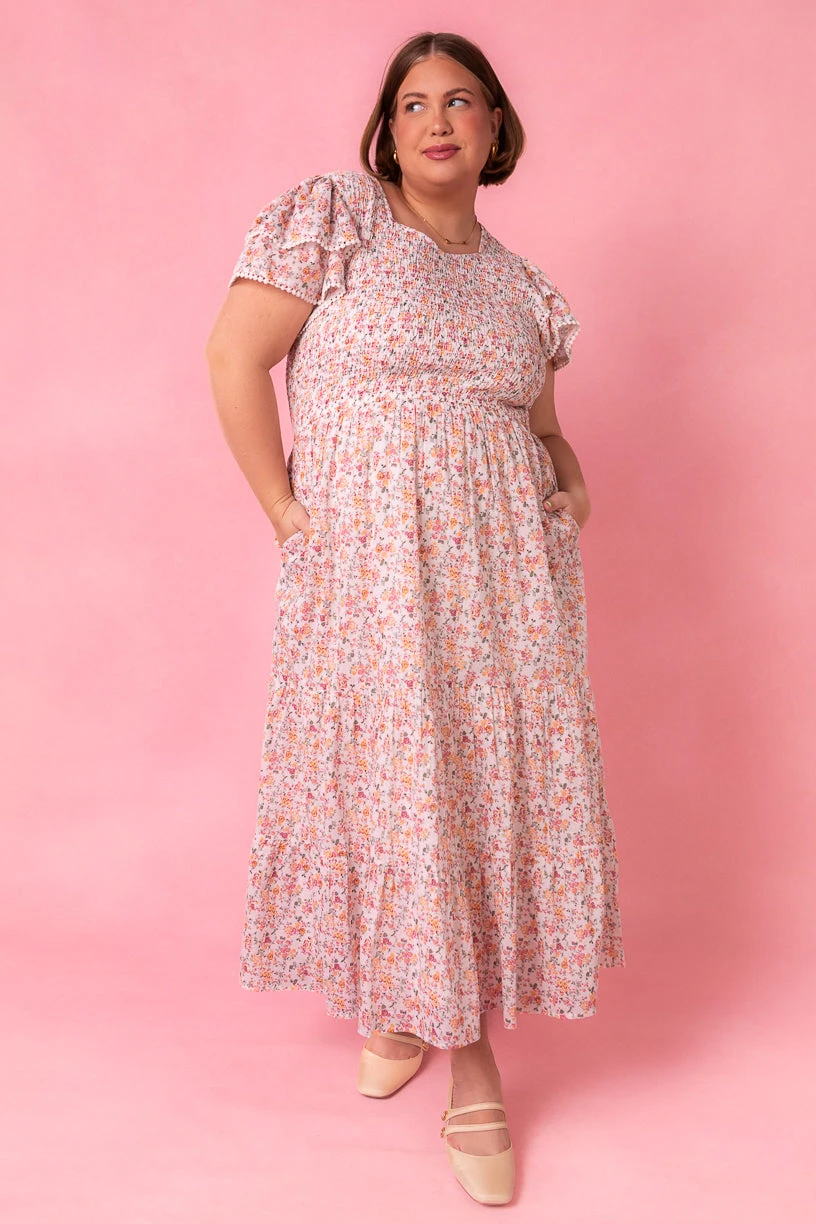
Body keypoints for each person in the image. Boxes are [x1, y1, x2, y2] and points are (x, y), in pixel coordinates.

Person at [205, 29, 625, 1207]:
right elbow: (234, 357)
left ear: (496, 130)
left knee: (477, 793)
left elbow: (543, 431)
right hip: (375, 579)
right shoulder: (334, 220)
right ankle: (467, 1061)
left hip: (508, 595)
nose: (439, 119)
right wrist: (287, 512)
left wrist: (572, 486)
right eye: (414, 103)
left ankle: (406, 1005)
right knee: (402, 785)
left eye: (463, 101)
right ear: (387, 133)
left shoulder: (520, 288)